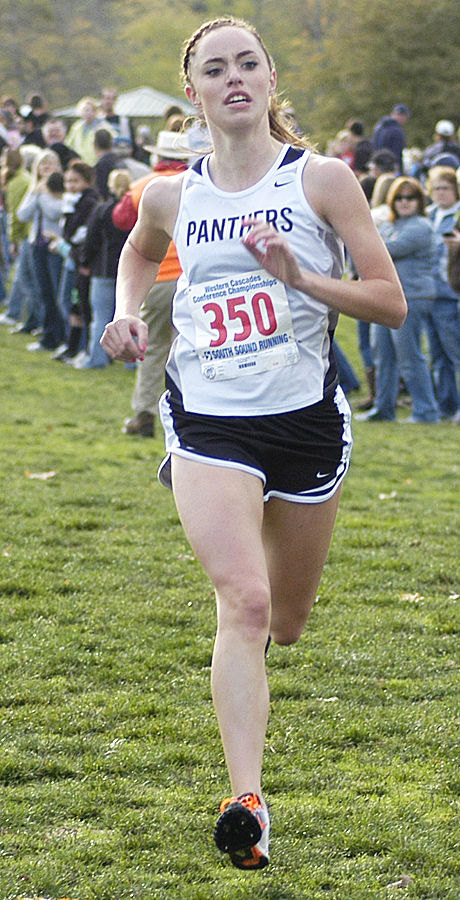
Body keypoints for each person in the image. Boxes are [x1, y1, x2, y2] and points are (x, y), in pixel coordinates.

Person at [100, 15, 406, 871]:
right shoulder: (171, 195)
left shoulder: (323, 179)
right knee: (245, 603)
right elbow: (138, 253)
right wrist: (124, 313)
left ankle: (260, 673)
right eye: (214, 69)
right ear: (193, 93)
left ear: (270, 80)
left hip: (304, 423)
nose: (232, 78)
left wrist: (302, 278)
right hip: (207, 419)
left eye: (246, 64)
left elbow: (389, 302)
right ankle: (247, 801)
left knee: (290, 620)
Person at [112, 130, 190, 436]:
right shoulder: (198, 183)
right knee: (189, 349)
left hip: (157, 277)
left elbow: (120, 220)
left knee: (152, 348)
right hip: (189, 278)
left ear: (157, 155)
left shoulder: (143, 186)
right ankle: (189, 413)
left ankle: (144, 413)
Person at [357, 177, 439, 423]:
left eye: (410, 197)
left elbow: (384, 250)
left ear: (419, 201)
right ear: (391, 201)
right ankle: (383, 409)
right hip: (386, 298)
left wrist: (366, 243)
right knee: (383, 356)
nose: (404, 202)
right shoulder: (389, 226)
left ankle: (426, 411)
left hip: (413, 296)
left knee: (409, 357)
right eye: (399, 198)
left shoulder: (421, 226)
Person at [76, 168, 131, 368]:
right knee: (129, 317)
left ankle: (97, 358)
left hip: (104, 269)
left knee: (101, 318)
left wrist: (85, 262)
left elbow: (91, 240)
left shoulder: (102, 210)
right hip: (129, 272)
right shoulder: (135, 209)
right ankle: (132, 361)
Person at [16, 149, 66, 351]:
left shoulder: (60, 187)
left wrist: (42, 194)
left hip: (54, 246)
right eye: (42, 163)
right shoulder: (35, 188)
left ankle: (61, 336)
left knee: (56, 292)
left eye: (50, 163)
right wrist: (35, 193)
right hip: (35, 244)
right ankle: (48, 335)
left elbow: (54, 212)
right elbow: (22, 214)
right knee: (42, 291)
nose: (46, 167)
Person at [424, 166, 460, 420]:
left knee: (455, 352)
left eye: (445, 188)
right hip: (430, 292)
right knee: (437, 355)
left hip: (451, 292)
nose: (440, 193)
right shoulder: (428, 215)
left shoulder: (457, 215)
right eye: (436, 188)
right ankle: (446, 406)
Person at [372, 104, 410, 174]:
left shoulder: (379, 127)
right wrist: (400, 172)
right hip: (389, 167)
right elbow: (398, 153)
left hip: (376, 165)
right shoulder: (397, 131)